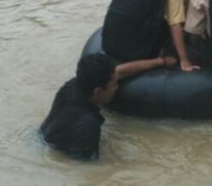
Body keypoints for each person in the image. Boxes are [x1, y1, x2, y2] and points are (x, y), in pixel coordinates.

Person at [40, 53, 176, 160]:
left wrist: (160, 62)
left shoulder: (72, 86)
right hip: (56, 150)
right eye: (114, 85)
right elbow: (84, 168)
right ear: (98, 92)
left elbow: (120, 72)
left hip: (44, 136)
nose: (117, 88)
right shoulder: (87, 126)